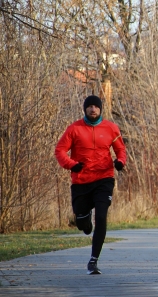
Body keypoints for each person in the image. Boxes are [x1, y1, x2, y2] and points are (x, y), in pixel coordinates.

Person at [54, 95, 126, 275]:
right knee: (81, 223)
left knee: (101, 216)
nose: (93, 109)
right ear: (85, 109)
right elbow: (60, 150)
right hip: (81, 181)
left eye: (96, 106)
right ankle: (84, 223)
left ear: (101, 109)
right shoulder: (74, 129)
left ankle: (94, 260)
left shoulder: (111, 128)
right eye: (90, 107)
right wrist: (71, 164)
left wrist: (120, 162)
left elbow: (120, 150)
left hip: (104, 179)